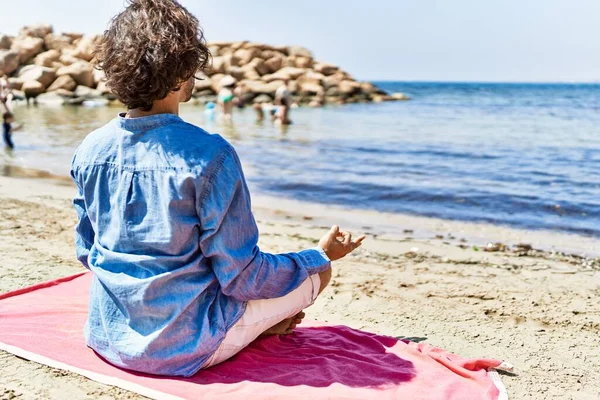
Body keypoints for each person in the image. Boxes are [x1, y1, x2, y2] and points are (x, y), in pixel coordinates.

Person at [71, 0, 364, 378]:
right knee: (316, 273)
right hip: (183, 348)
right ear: (184, 70)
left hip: (107, 337)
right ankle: (253, 328)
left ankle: (256, 326)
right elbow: (242, 276)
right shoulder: (212, 155)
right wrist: (318, 256)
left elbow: (87, 252)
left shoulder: (90, 148)